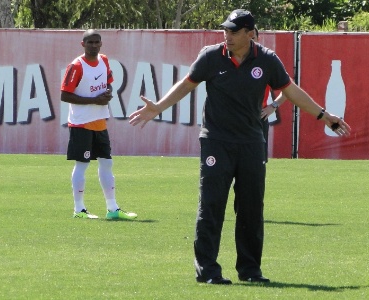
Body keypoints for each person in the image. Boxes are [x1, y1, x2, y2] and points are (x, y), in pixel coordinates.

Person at [129, 9, 351, 285]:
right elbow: (187, 85)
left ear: (250, 34)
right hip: (216, 142)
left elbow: (291, 91)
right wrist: (159, 107)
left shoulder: (267, 60)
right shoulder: (211, 56)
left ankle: (250, 270)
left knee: (250, 208)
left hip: (251, 143)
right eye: (226, 30)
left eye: (234, 31)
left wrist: (324, 115)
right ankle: (208, 270)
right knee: (211, 206)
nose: (227, 35)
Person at [61, 29, 137, 220]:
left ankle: (112, 209)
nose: (94, 45)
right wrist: (94, 101)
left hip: (100, 121)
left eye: (97, 42)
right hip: (81, 123)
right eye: (90, 42)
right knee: (82, 164)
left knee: (107, 162)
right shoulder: (76, 66)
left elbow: (108, 83)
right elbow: (64, 95)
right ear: (83, 44)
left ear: (101, 44)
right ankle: (79, 209)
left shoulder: (103, 60)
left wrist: (108, 93)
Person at [253, 26, 288, 161]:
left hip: (258, 116)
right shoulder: (232, 60)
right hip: (236, 117)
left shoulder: (266, 61)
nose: (250, 41)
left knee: (258, 162)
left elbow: (288, 90)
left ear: (258, 38)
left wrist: (273, 105)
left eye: (253, 38)